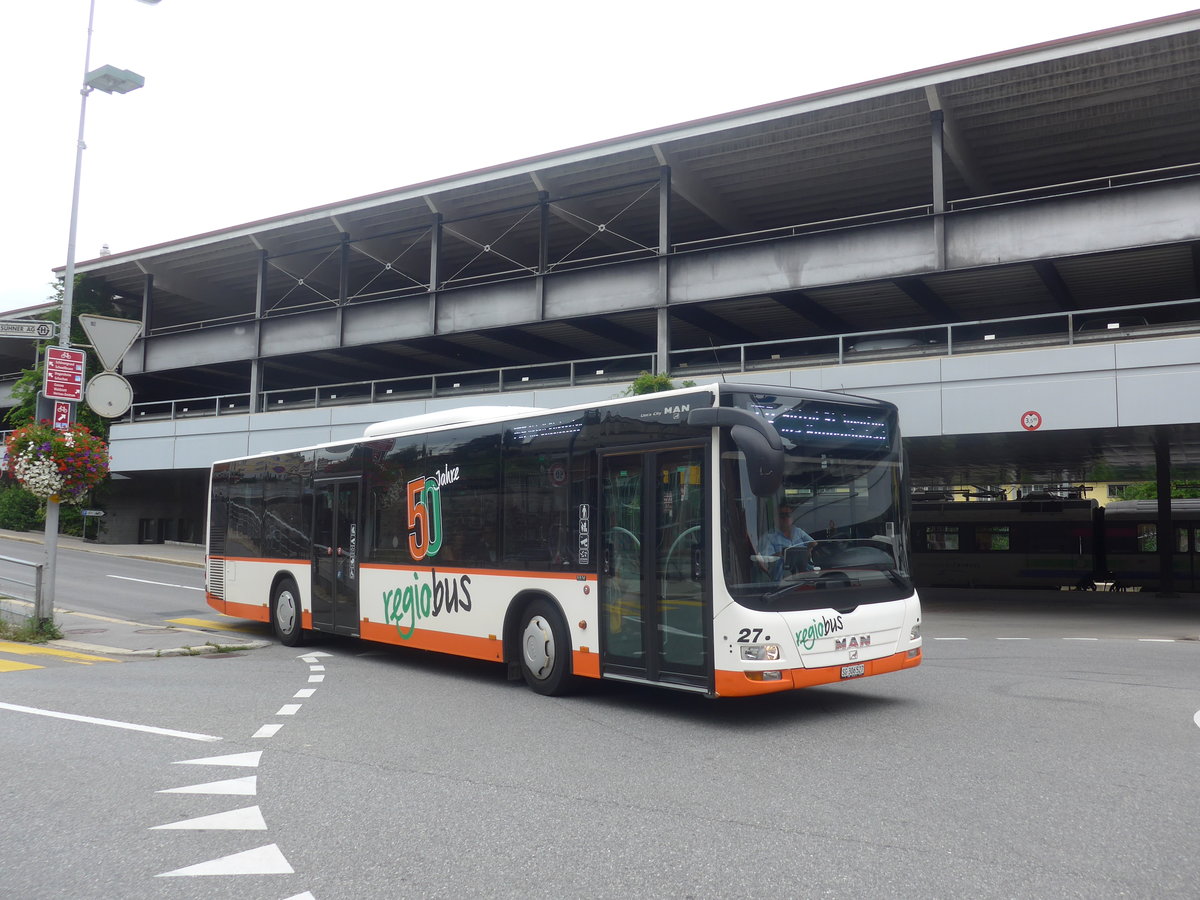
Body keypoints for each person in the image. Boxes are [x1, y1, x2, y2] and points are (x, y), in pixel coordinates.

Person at [757, 504, 816, 578]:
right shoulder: (768, 537)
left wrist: (808, 550)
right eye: (782, 515)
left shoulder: (798, 531)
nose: (785, 518)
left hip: (806, 578)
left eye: (788, 515)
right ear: (775, 518)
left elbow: (814, 543)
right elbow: (766, 560)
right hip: (782, 582)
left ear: (792, 518)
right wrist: (784, 553)